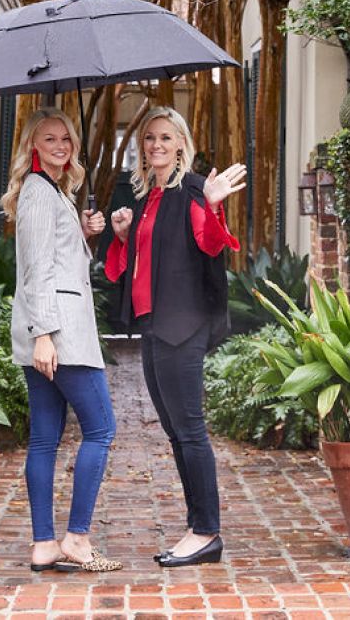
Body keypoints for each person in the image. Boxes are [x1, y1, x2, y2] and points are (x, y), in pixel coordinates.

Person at [104, 106, 246, 568]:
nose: (156, 145)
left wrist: (214, 201)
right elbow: (135, 263)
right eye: (149, 138)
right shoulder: (150, 197)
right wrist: (124, 235)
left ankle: (206, 531)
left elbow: (209, 243)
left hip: (181, 324)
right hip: (153, 324)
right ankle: (197, 527)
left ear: (181, 143)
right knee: (175, 431)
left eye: (166, 137)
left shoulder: (191, 190)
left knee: (190, 429)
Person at [2, 107, 122, 574]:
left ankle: (44, 545)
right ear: (33, 145)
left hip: (50, 333)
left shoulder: (53, 192)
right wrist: (45, 335)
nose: (60, 145)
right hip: (59, 334)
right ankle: (76, 538)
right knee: (101, 428)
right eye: (49, 138)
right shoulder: (37, 193)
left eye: (66, 139)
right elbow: (36, 271)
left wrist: (86, 233)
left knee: (46, 439)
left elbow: (62, 261)